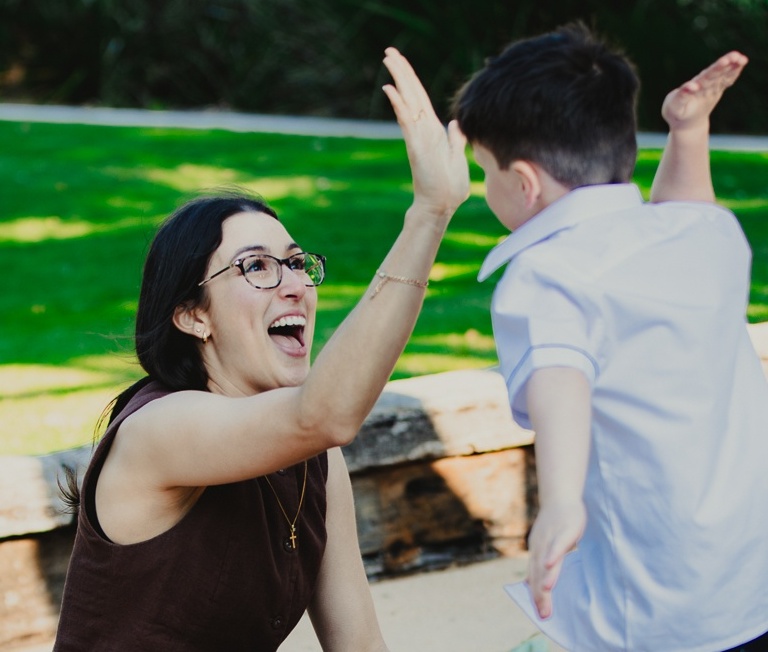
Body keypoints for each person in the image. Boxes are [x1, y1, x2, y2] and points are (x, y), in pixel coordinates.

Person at [52, 49, 469, 651]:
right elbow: (327, 412)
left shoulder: (315, 463)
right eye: (257, 268)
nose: (295, 283)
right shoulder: (161, 431)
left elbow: (359, 646)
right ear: (193, 316)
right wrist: (428, 216)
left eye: (298, 263)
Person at [444, 22, 767, 652]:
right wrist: (688, 129)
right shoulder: (713, 239)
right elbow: (684, 211)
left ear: (525, 183)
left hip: (653, 604)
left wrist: (560, 502)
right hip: (748, 581)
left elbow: (561, 375)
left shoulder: (546, 273)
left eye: (486, 171)